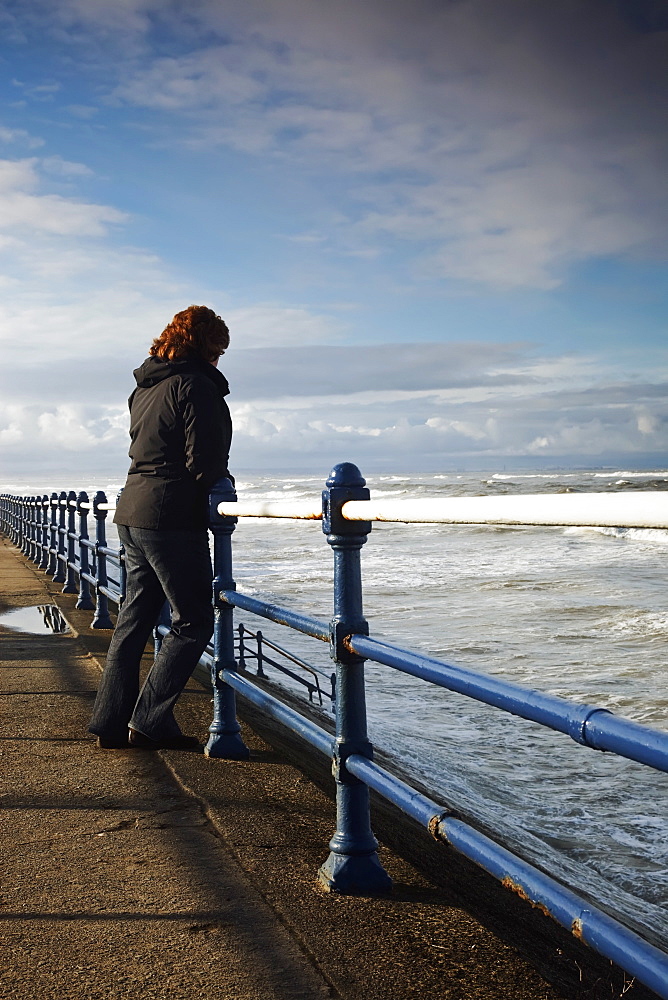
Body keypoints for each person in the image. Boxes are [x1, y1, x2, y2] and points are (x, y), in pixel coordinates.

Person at [89, 305, 233, 750]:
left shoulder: (146, 389)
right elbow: (203, 462)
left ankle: (110, 724)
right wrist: (221, 486)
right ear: (205, 346)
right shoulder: (195, 386)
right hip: (170, 518)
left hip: (132, 511)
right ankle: (150, 720)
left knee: (133, 618)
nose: (220, 360)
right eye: (219, 350)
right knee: (194, 621)